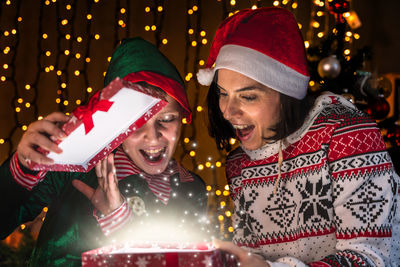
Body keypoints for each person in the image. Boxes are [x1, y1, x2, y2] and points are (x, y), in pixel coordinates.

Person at [197, 7, 400, 267]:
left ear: (286, 95)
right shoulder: (240, 164)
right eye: (223, 93)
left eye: (247, 96)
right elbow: (252, 255)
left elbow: (372, 258)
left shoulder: (347, 136)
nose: (227, 110)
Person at [0, 37, 208, 266]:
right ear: (116, 123)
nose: (153, 136)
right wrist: (21, 170)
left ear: (182, 119)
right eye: (137, 123)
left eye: (167, 119)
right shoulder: (74, 170)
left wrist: (119, 221)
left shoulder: (192, 188)